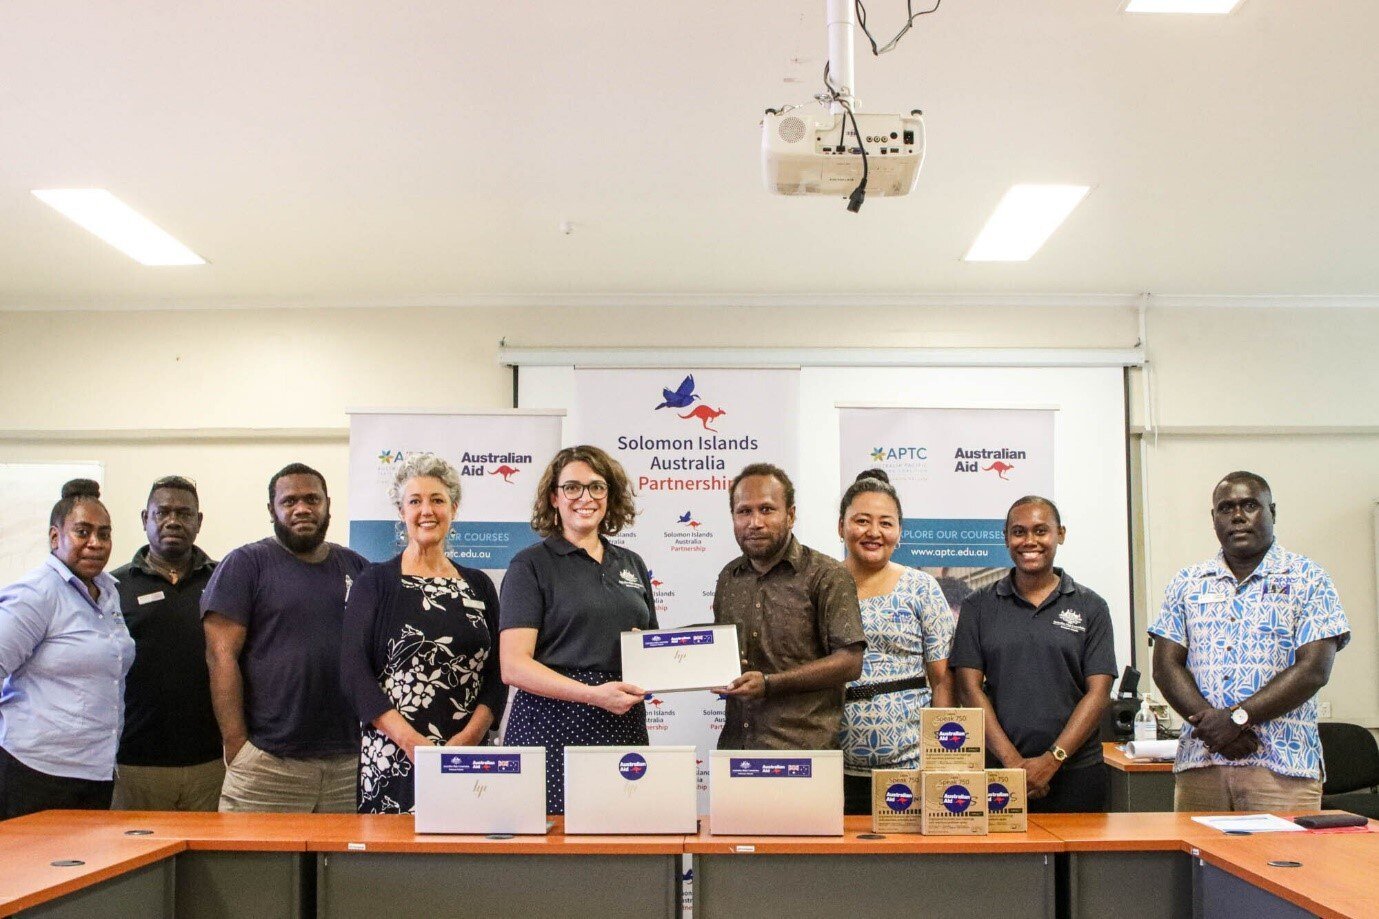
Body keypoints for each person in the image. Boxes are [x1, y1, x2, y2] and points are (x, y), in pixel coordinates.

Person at [1150, 471, 1349, 812]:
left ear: (1273, 512)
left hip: (1282, 770)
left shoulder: (1309, 579)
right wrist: (1215, 728)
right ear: (1214, 519)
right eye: (1226, 508)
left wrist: (1236, 720)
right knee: (1198, 867)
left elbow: (1314, 669)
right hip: (1203, 764)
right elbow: (1166, 667)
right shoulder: (1187, 582)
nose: (1238, 516)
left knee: (1284, 866)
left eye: (1250, 505)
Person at [341, 453, 506, 814]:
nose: (426, 510)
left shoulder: (478, 585)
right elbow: (353, 673)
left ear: (454, 508)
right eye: (414, 501)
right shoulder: (375, 582)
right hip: (394, 756)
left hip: (466, 757)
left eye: (437, 500)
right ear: (402, 512)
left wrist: (470, 738)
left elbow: (497, 673)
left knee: (468, 861)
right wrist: (411, 741)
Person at [202, 463, 368, 813]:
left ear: (327, 505)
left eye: (312, 499)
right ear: (272, 510)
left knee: (345, 869)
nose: (302, 509)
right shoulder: (245, 564)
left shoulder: (357, 567)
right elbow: (220, 657)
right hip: (268, 764)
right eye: (289, 501)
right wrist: (237, 745)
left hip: (348, 765)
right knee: (255, 868)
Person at [499, 445, 656, 814]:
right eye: (572, 488)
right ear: (554, 498)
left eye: (596, 487)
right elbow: (513, 666)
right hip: (551, 727)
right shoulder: (530, 566)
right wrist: (593, 694)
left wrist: (701, 663)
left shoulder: (632, 563)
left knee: (623, 843)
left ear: (610, 495)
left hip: (622, 724)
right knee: (553, 855)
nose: (585, 497)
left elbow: (652, 648)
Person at [950, 496, 1116, 813]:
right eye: (1019, 532)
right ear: (1006, 538)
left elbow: (1099, 692)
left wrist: (1052, 759)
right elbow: (968, 689)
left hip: (1077, 772)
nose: (1030, 541)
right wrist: (1012, 763)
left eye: (1041, 531)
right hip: (999, 775)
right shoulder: (978, 606)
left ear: (1060, 534)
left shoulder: (1091, 606)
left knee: (1079, 865)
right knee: (1007, 864)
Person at [0, 479, 135, 819]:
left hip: (95, 772)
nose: (95, 543)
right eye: (83, 532)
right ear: (55, 537)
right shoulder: (36, 594)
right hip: (34, 774)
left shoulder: (107, 591)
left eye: (104, 534)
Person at [713, 463, 866, 751]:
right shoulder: (729, 578)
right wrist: (655, 648)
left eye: (767, 509)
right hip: (737, 749)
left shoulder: (826, 575)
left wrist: (770, 683)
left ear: (791, 515)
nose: (755, 522)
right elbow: (719, 650)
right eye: (744, 511)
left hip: (802, 753)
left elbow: (850, 661)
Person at [836, 469, 955, 815]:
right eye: (862, 521)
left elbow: (942, 679)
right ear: (841, 526)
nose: (874, 532)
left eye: (886, 523)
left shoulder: (922, 588)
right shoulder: (821, 586)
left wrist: (941, 759)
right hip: (832, 768)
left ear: (899, 533)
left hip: (911, 768)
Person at [110, 475, 223, 811]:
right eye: (162, 513)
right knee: (137, 861)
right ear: (145, 518)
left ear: (198, 522)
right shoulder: (113, 587)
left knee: (208, 862)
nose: (173, 520)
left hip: (210, 761)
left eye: (184, 513)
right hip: (135, 760)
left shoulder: (224, 580)